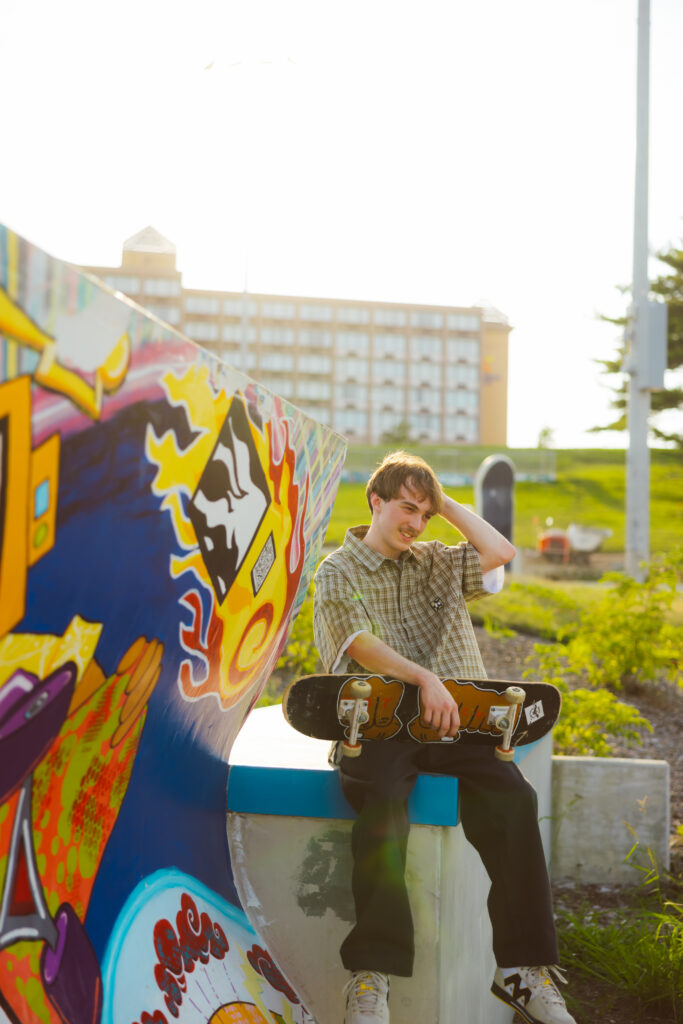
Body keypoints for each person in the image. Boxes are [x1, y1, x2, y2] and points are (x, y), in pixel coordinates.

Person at [313, 451, 575, 1024]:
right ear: (375, 501)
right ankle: (371, 975)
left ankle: (522, 971)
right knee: (382, 800)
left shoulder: (436, 560)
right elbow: (356, 641)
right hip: (380, 723)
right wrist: (424, 678)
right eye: (407, 508)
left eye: (425, 513)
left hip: (457, 723)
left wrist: (442, 500)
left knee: (514, 798)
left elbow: (500, 553)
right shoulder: (339, 570)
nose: (416, 523)